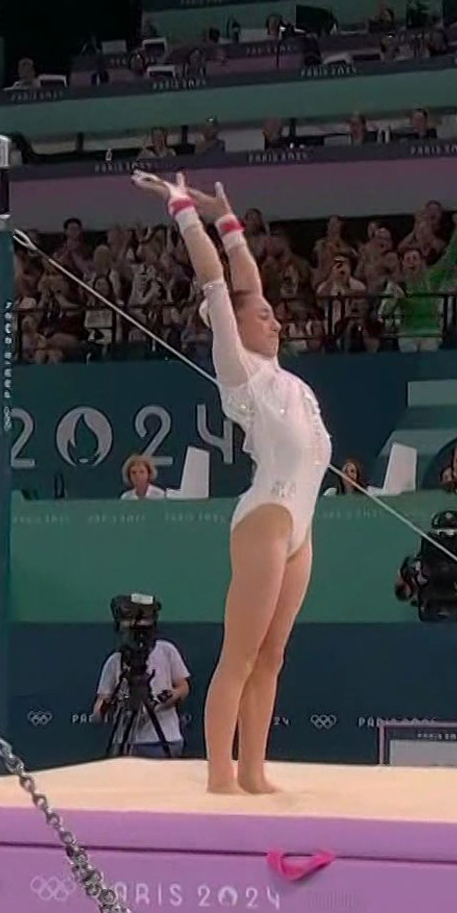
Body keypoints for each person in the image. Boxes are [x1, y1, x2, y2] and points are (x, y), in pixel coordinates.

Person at [133, 170, 330, 796]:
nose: (275, 319)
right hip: (267, 517)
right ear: (236, 327)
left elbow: (247, 281)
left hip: (301, 526)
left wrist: (229, 217)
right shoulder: (240, 370)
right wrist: (185, 209)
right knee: (240, 656)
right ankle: (220, 777)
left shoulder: (284, 376)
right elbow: (222, 285)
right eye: (264, 315)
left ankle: (253, 770)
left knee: (272, 657)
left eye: (274, 314)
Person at [93, 631, 192, 757]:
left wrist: (167, 697)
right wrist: (110, 706)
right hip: (125, 742)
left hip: (165, 739)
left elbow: (183, 687)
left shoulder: (167, 650)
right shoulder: (115, 661)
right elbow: (100, 706)